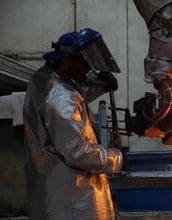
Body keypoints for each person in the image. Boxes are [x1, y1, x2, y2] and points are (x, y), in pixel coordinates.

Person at [23, 28, 123, 220]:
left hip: (54, 192)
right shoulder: (60, 97)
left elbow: (73, 101)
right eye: (85, 64)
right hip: (74, 201)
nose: (88, 70)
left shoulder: (44, 79)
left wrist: (99, 85)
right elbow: (79, 153)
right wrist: (117, 158)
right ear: (67, 61)